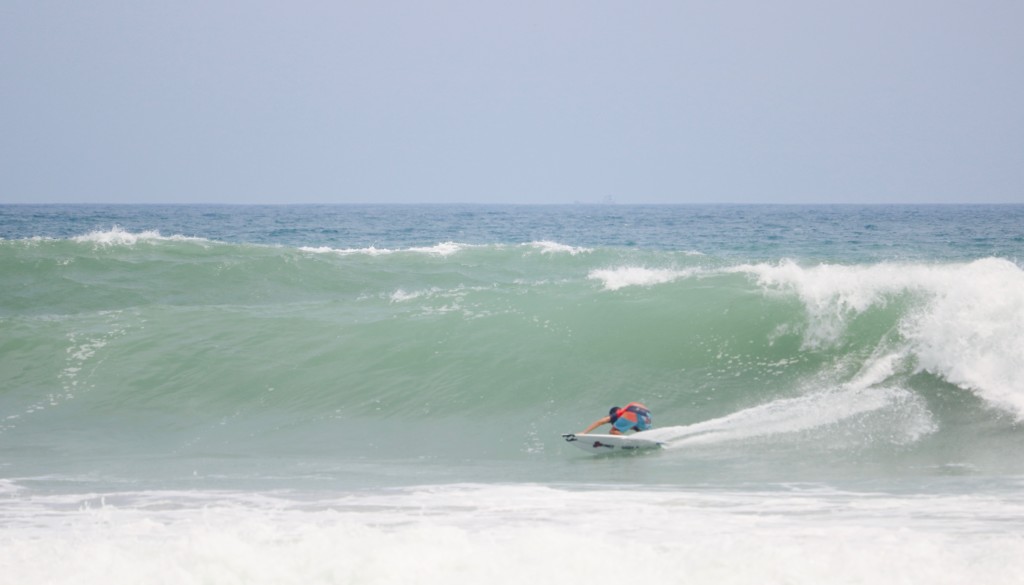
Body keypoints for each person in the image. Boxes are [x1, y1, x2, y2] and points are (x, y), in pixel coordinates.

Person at [580, 402, 652, 435]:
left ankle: (626, 441)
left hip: (632, 409)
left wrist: (584, 432)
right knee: (645, 434)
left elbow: (600, 422)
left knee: (613, 431)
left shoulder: (618, 413)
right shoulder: (632, 422)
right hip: (647, 414)